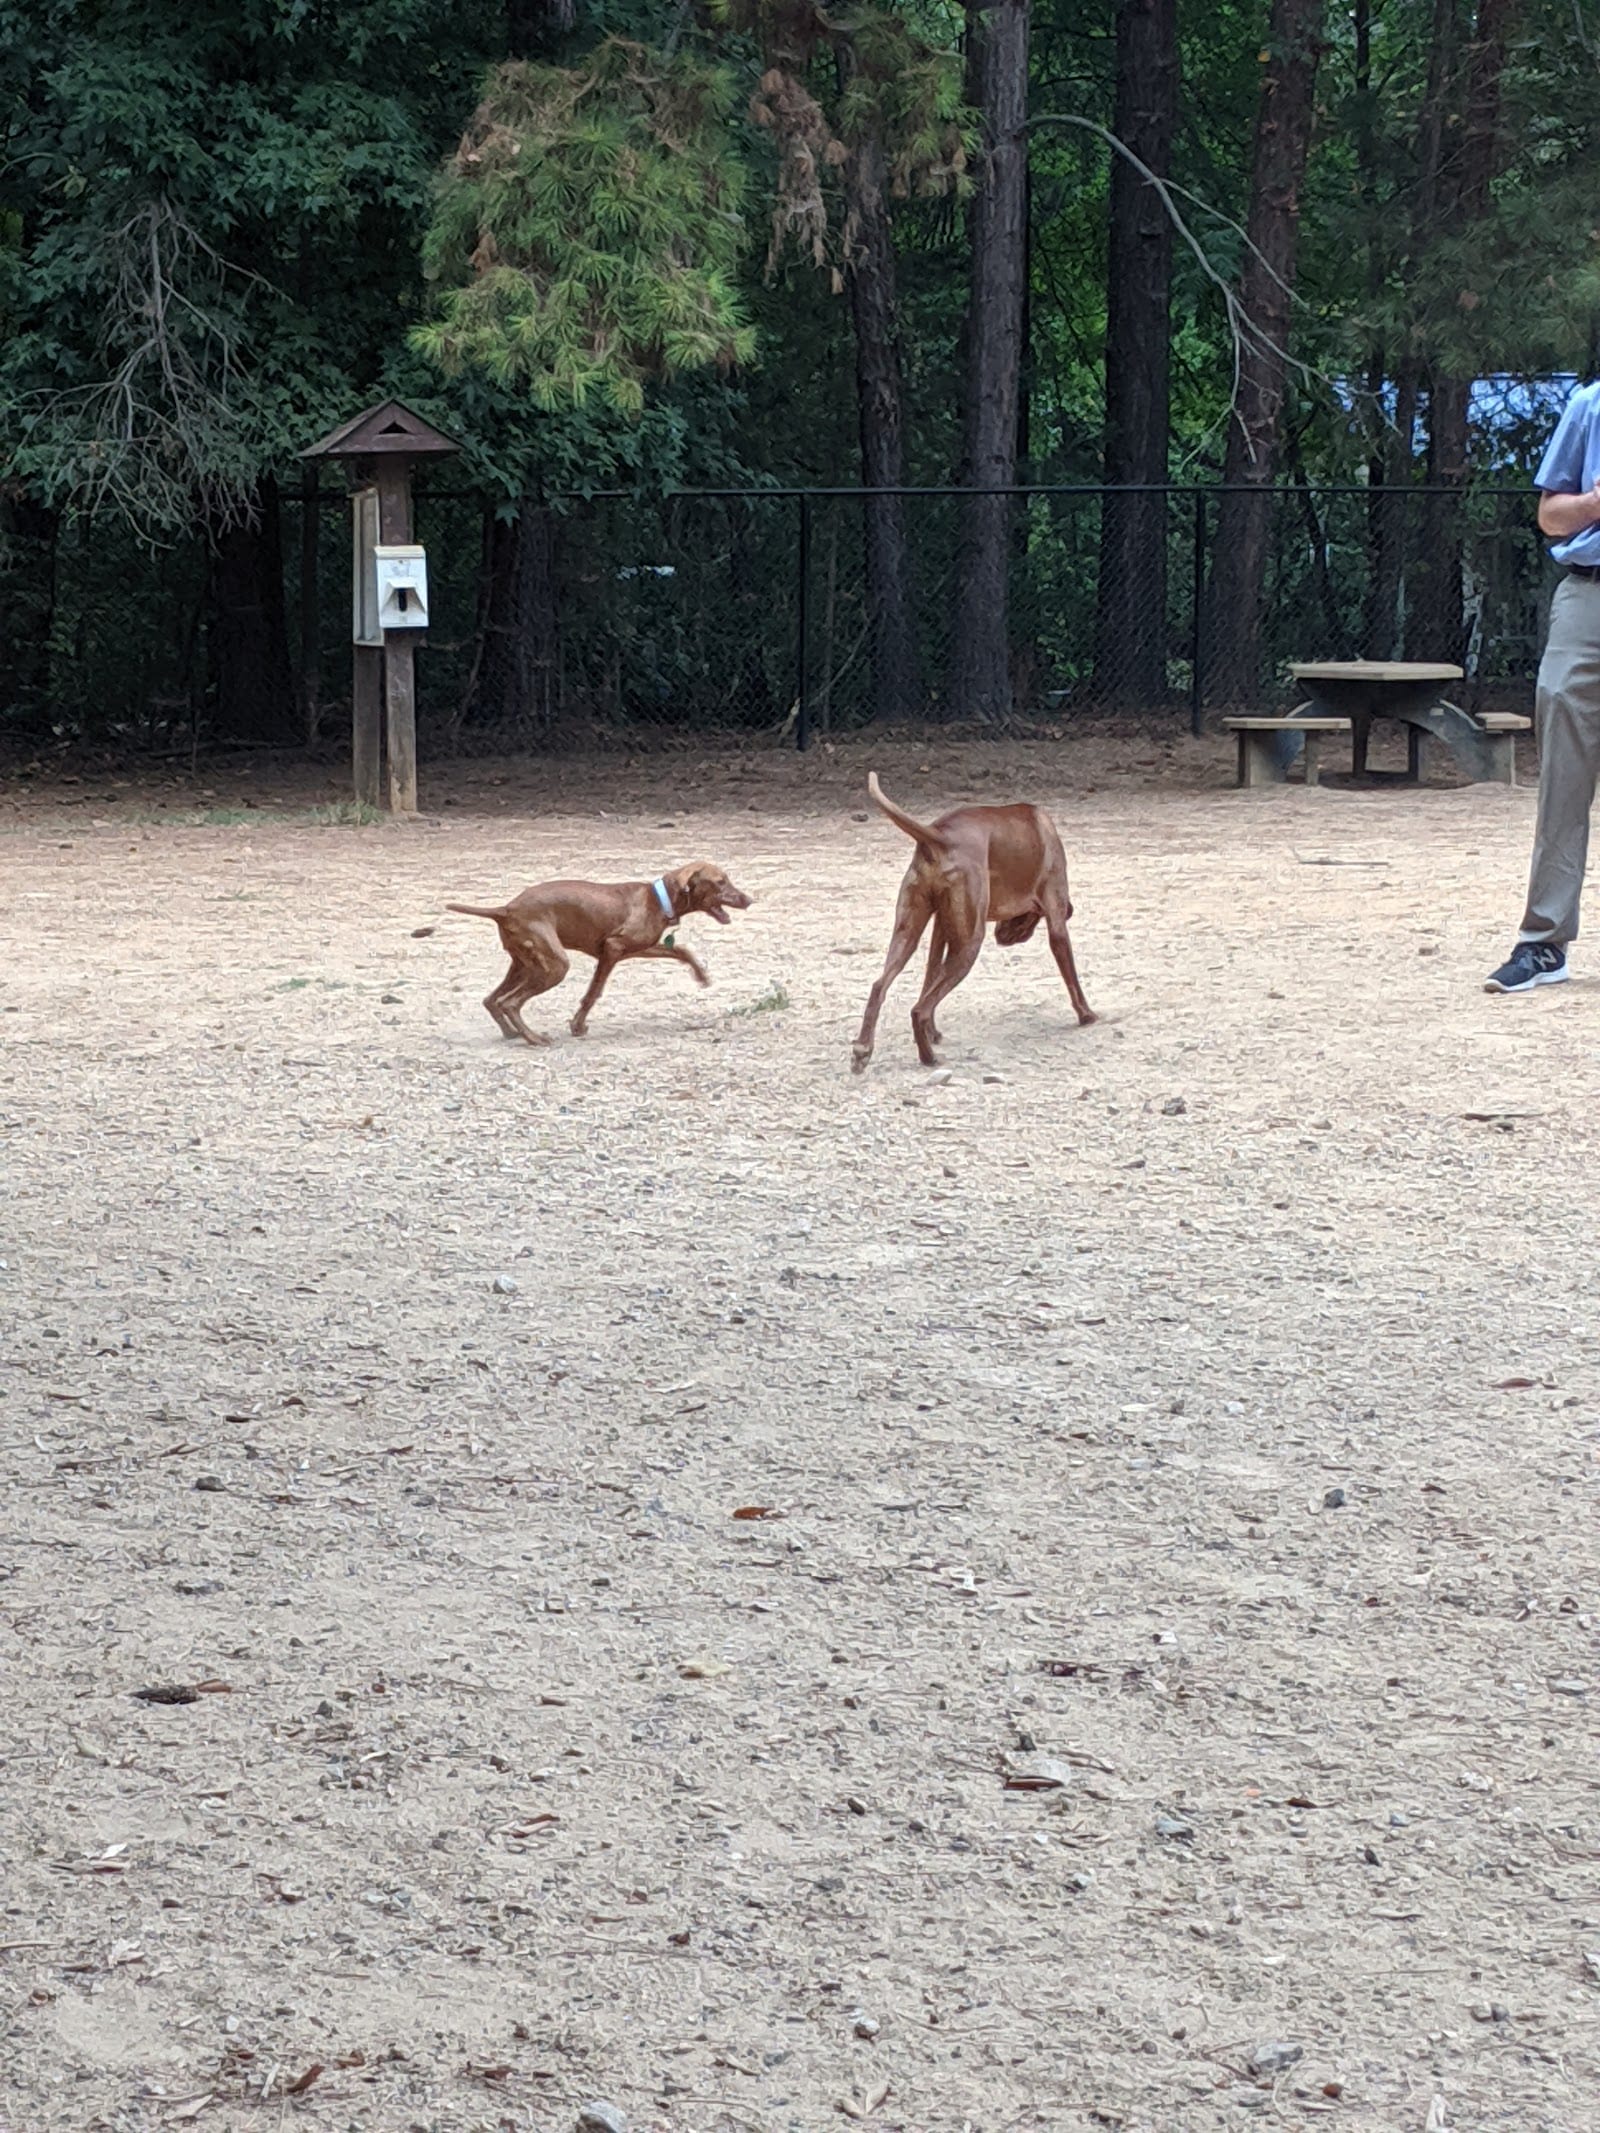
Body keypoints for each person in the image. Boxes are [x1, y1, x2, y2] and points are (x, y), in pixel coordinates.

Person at [1486, 379, 1600, 991]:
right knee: (1563, 770)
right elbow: (1550, 516)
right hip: (1589, 594)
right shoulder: (1590, 405)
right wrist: (1594, 503)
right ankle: (1543, 943)